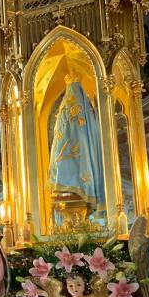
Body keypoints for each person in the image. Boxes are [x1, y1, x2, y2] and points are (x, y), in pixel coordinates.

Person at [47, 73, 106, 216]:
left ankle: (75, 186)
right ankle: (73, 185)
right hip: (72, 157)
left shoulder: (80, 111)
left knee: (80, 156)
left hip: (76, 157)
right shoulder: (82, 110)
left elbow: (88, 138)